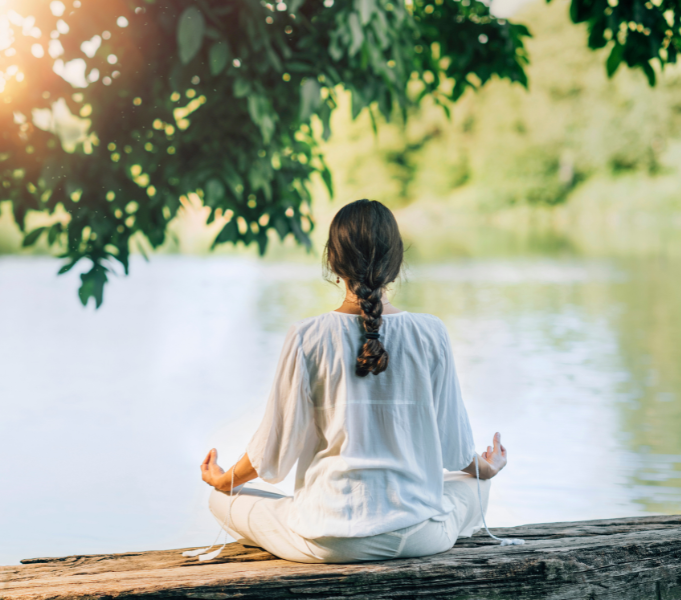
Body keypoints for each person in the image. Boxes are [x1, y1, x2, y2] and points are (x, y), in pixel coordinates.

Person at [198, 199, 508, 564]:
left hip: (328, 541)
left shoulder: (306, 336)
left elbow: (274, 453)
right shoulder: (431, 332)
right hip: (419, 535)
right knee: (473, 487)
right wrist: (486, 468)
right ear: (396, 263)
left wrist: (224, 480)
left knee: (220, 500)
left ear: (332, 261)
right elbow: (456, 450)